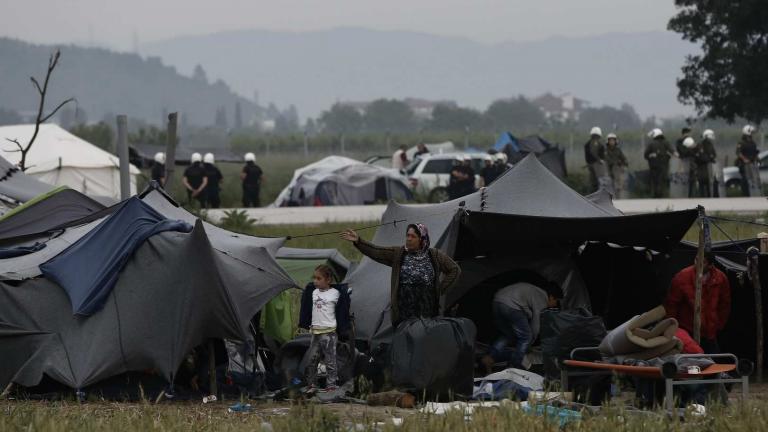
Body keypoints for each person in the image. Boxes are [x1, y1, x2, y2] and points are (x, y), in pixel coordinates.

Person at [339, 223, 460, 327]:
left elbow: (454, 270)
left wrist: (438, 290)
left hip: (427, 312)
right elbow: (376, 252)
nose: (409, 239)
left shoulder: (434, 255)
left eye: (413, 236)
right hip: (404, 312)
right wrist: (359, 241)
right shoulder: (399, 253)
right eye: (407, 235)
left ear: (422, 239)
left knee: (425, 344)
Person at [481, 279, 563, 372]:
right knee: (526, 337)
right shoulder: (542, 298)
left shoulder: (532, 291)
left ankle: (489, 357)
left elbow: (526, 311)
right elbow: (536, 324)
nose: (555, 304)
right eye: (557, 301)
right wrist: (530, 342)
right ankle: (514, 367)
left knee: (508, 335)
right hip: (511, 305)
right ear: (551, 297)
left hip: (497, 302)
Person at [298, 264, 351, 393]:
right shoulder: (313, 292)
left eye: (319, 278)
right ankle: (312, 385)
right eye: (314, 278)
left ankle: (331, 385)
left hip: (329, 333)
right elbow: (306, 307)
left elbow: (343, 309)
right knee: (312, 360)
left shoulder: (336, 293)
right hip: (315, 332)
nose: (315, 281)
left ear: (328, 280)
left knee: (330, 361)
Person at [664, 252, 731, 354]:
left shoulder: (720, 278)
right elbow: (671, 304)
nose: (697, 264)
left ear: (710, 265)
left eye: (702, 262)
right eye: (696, 260)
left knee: (714, 362)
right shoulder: (682, 277)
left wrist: (718, 324)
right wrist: (672, 326)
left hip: (710, 330)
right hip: (687, 328)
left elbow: (724, 304)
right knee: (691, 360)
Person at [644, 128, 674, 198]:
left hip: (654, 166)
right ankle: (663, 195)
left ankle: (656, 195)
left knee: (655, 181)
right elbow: (672, 151)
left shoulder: (651, 144)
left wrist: (651, 156)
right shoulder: (666, 142)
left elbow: (645, 155)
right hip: (664, 166)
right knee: (663, 181)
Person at [736, 125, 760, 196]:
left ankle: (754, 193)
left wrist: (757, 159)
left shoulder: (753, 142)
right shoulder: (741, 142)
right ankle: (745, 195)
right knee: (745, 179)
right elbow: (738, 153)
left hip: (752, 164)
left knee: (754, 180)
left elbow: (755, 152)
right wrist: (745, 159)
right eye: (751, 132)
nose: (752, 134)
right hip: (744, 164)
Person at [604, 133, 628, 199]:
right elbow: (606, 159)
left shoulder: (618, 150)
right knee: (608, 184)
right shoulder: (605, 150)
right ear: (608, 141)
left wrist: (625, 162)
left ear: (615, 141)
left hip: (616, 168)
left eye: (613, 140)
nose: (612, 142)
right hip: (608, 169)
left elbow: (623, 158)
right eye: (610, 140)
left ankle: (618, 197)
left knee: (618, 183)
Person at [694, 130, 717, 197]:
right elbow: (701, 156)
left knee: (710, 182)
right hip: (701, 166)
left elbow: (714, 154)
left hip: (709, 166)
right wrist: (709, 158)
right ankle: (702, 197)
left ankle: (710, 195)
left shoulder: (710, 144)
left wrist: (711, 158)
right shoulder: (700, 145)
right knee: (702, 181)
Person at [584, 127, 606, 192]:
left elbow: (587, 157)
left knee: (593, 182)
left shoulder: (587, 144)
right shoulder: (598, 144)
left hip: (591, 165)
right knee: (598, 182)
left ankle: (593, 196)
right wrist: (600, 160)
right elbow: (596, 154)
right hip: (596, 165)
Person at [675, 127, 696, 197]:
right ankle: (684, 194)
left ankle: (691, 194)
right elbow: (682, 152)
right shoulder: (680, 141)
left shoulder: (690, 140)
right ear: (685, 133)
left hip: (691, 162)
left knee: (692, 179)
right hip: (684, 162)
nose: (690, 135)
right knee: (684, 179)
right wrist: (690, 149)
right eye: (689, 133)